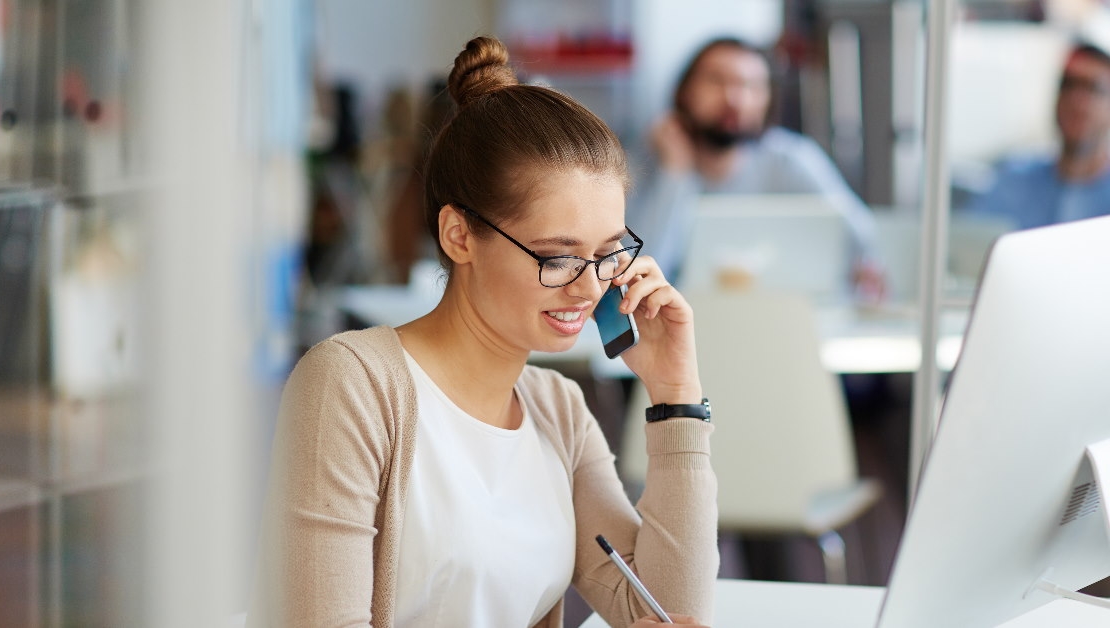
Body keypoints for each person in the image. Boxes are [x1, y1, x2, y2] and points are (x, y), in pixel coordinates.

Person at [247, 36, 719, 627]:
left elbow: (669, 614)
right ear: (459, 235)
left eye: (607, 254)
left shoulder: (558, 410)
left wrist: (676, 397)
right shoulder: (352, 386)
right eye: (556, 256)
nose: (590, 287)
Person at [628, 37, 884, 298]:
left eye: (751, 86)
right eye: (717, 81)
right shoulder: (645, 166)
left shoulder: (791, 159)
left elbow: (863, 242)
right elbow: (635, 271)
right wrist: (675, 173)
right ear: (685, 92)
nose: (735, 99)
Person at [964, 42, 1110, 229]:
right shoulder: (1013, 183)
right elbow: (971, 245)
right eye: (1069, 85)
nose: (1077, 100)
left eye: (1092, 88)